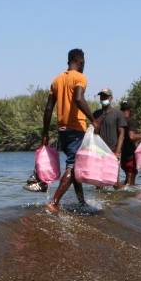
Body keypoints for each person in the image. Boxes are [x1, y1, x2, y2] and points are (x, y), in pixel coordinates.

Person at [41, 48, 98, 214]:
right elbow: (79, 99)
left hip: (62, 131)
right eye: (84, 63)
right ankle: (54, 202)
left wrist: (45, 133)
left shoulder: (56, 80)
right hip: (76, 130)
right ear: (80, 61)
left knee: (75, 165)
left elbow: (48, 108)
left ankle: (81, 202)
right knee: (73, 168)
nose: (84, 65)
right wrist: (93, 120)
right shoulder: (80, 77)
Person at [115, 100, 141, 188]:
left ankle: (119, 195)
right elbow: (132, 137)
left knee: (127, 179)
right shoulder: (131, 121)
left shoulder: (117, 121)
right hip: (130, 156)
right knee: (130, 184)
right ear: (131, 110)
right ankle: (127, 199)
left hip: (121, 156)